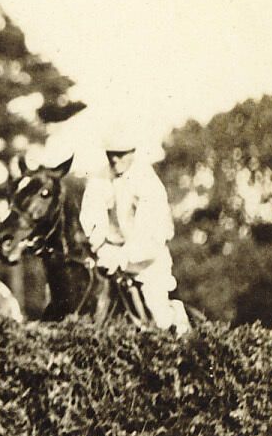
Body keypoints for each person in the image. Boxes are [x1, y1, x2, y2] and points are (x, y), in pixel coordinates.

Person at [78, 128, 191, 335]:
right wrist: (99, 246)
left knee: (159, 316)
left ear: (132, 152)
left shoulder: (148, 182)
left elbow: (150, 234)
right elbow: (91, 216)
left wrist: (122, 257)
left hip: (146, 261)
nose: (114, 159)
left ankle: (178, 326)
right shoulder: (98, 178)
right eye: (110, 154)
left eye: (120, 154)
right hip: (107, 255)